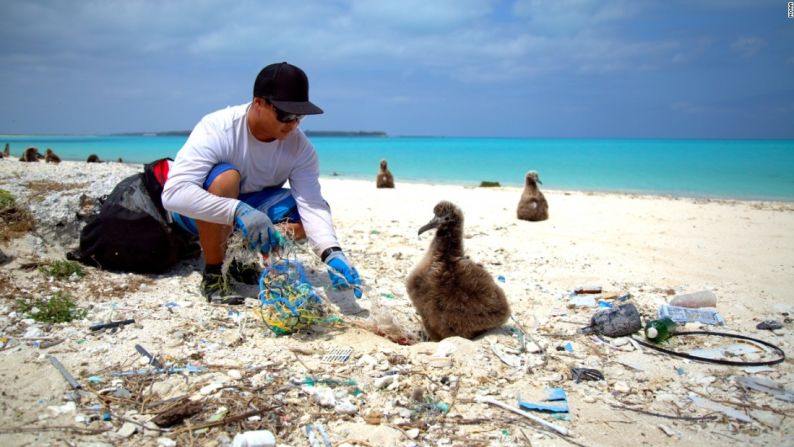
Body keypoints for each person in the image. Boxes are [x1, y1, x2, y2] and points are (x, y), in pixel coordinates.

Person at [162, 62, 362, 304]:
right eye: (286, 114)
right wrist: (238, 210)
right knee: (226, 178)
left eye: (299, 116)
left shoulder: (301, 148)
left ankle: (238, 258)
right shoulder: (218, 128)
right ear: (258, 103)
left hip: (250, 211)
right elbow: (173, 194)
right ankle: (214, 273)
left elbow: (312, 204)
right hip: (197, 213)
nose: (293, 124)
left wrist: (331, 253)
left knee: (304, 216)